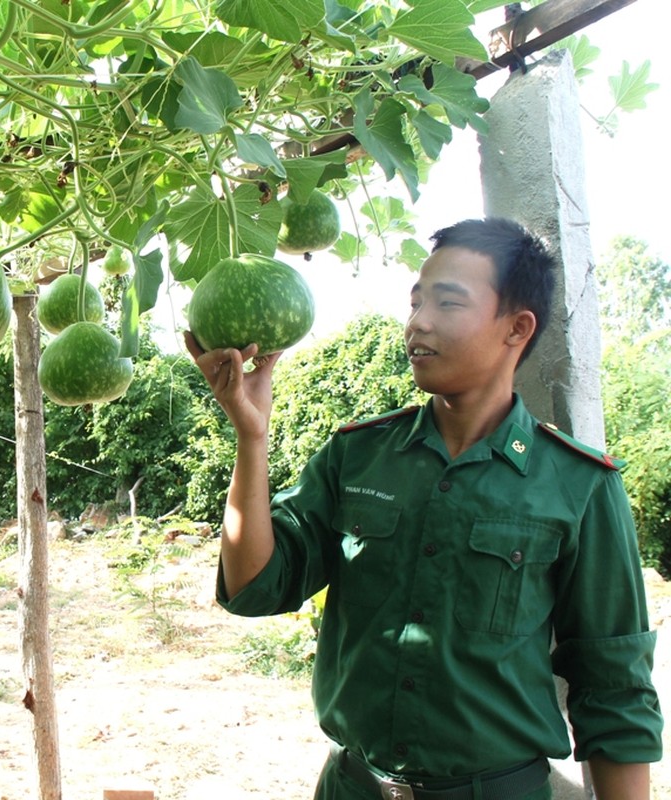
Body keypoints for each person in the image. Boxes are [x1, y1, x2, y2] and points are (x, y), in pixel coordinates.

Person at [186, 218, 662, 799]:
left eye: (447, 302)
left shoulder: (577, 483)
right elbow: (255, 586)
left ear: (517, 327)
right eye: (415, 302)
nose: (419, 323)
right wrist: (250, 438)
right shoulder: (357, 456)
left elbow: (611, 689)